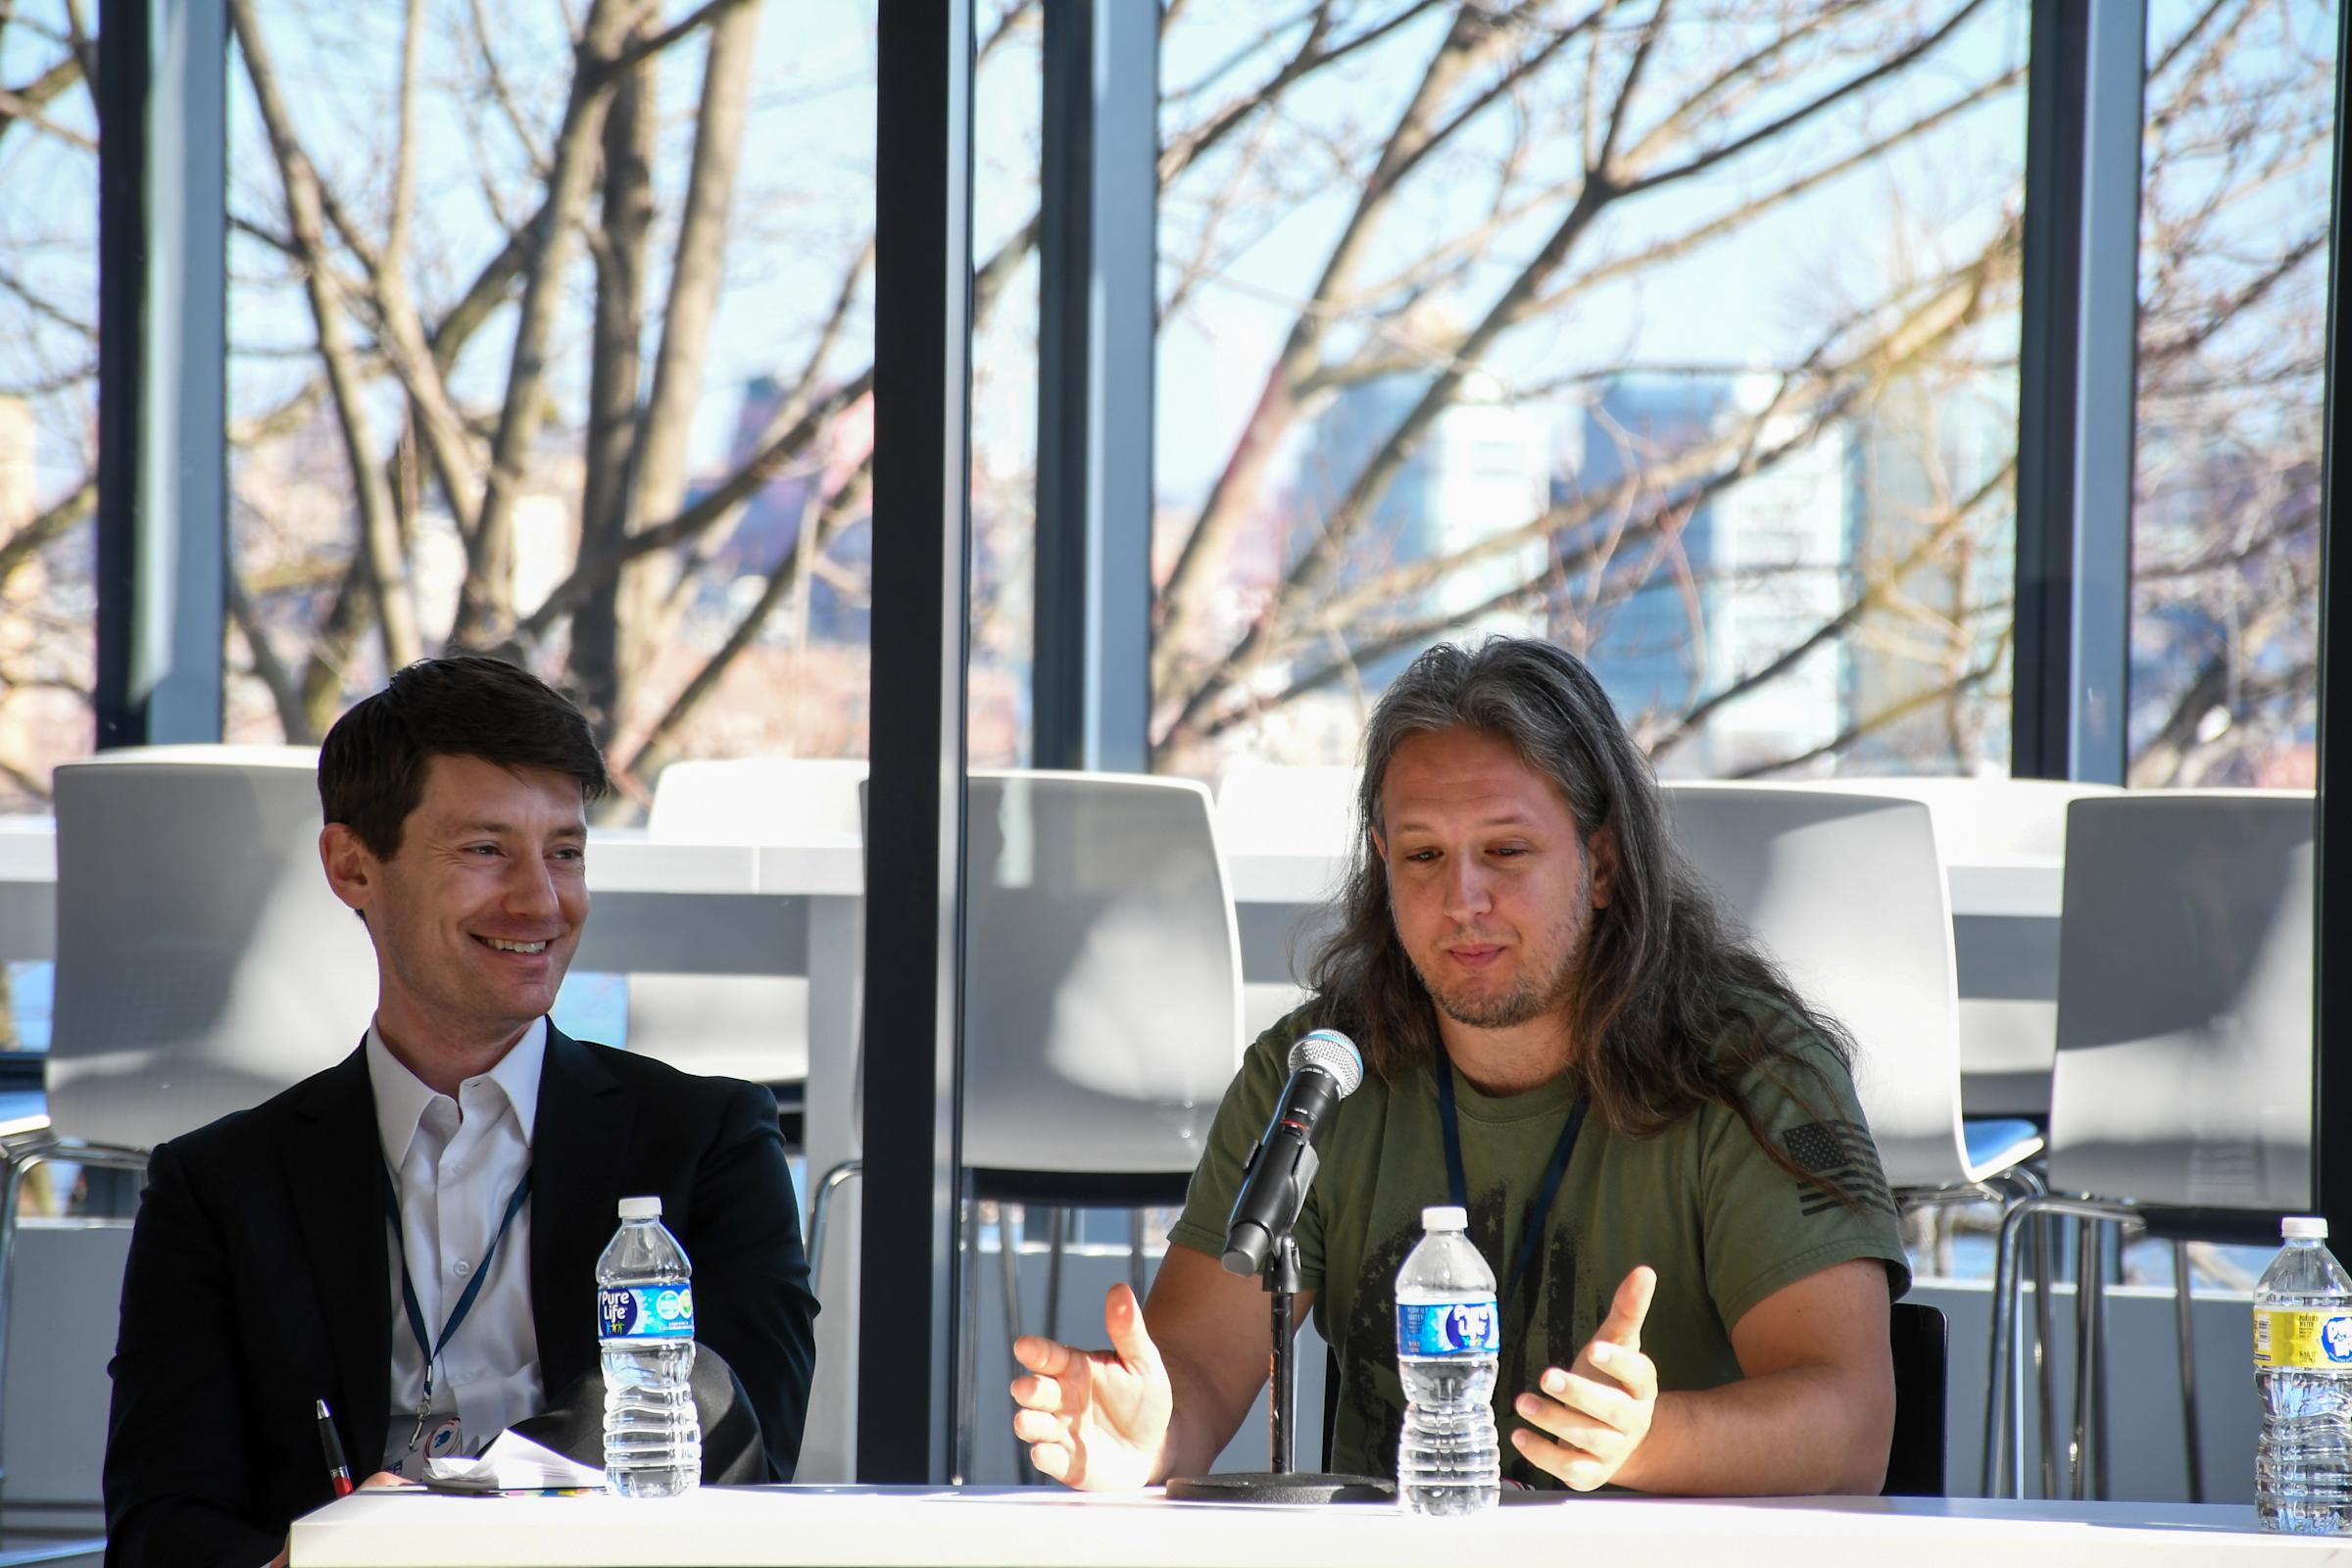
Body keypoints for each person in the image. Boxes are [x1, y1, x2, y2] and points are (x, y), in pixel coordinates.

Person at [1010, 637, 1909, 1496]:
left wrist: (1648, 1439)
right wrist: (1146, 1437)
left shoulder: (1755, 1073)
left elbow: (1851, 1422)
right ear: (1381, 865)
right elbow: (1198, 1375)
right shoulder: (1319, 1073)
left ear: (1601, 865)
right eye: (1424, 856)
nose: (1462, 900)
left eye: (1507, 853)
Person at [102, 655, 817, 1568]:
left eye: (565, 851)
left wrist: (437, 1528)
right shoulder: (221, 1187)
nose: (542, 901)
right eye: (486, 850)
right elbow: (161, 1523)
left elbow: (736, 1428)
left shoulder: (703, 1142)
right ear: (353, 866)